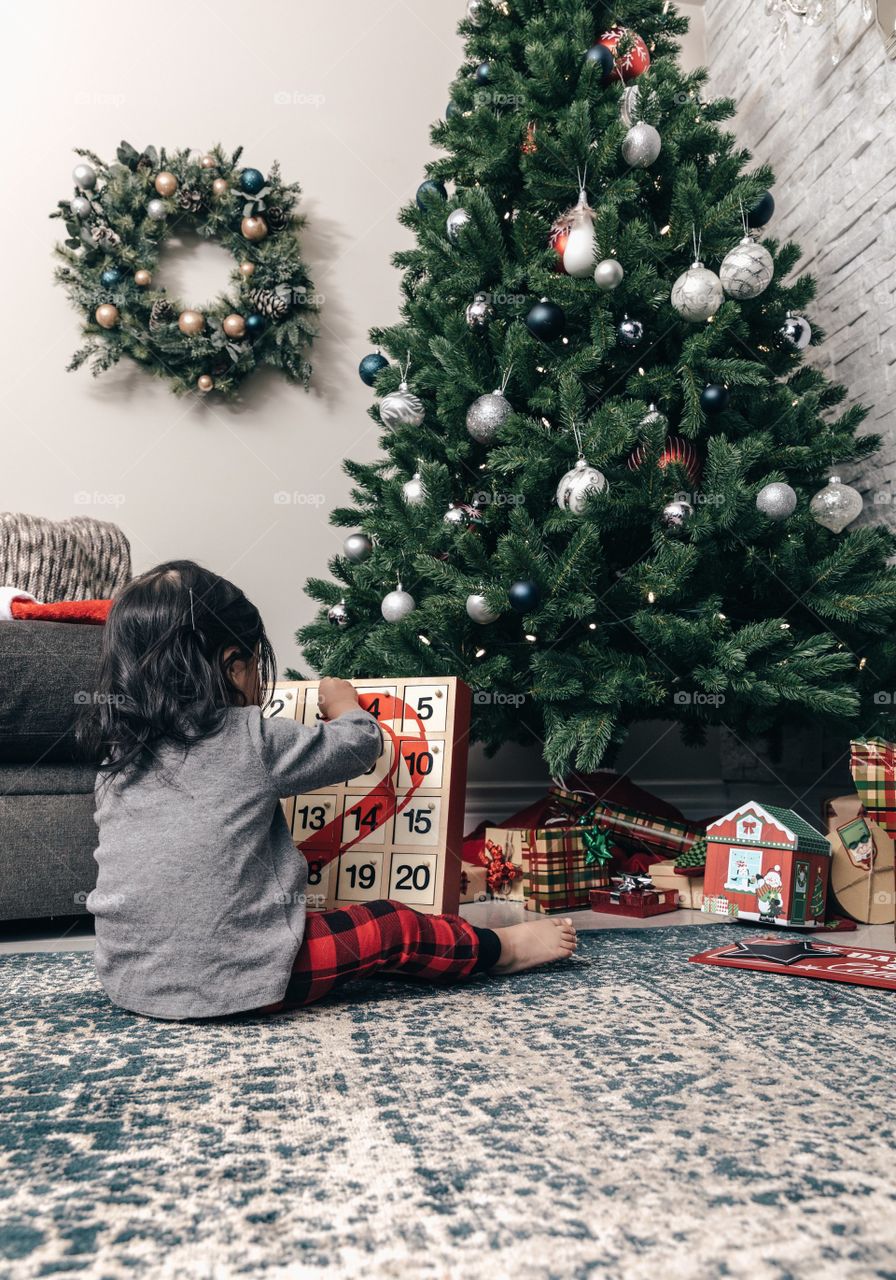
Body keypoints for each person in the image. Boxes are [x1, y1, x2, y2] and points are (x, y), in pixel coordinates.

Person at [79, 560, 577, 1020]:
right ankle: (502, 950)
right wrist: (345, 704)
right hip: (253, 977)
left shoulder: (116, 757)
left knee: (316, 917)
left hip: (129, 979)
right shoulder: (249, 735)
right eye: (253, 665)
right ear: (233, 664)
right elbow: (359, 746)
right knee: (393, 926)